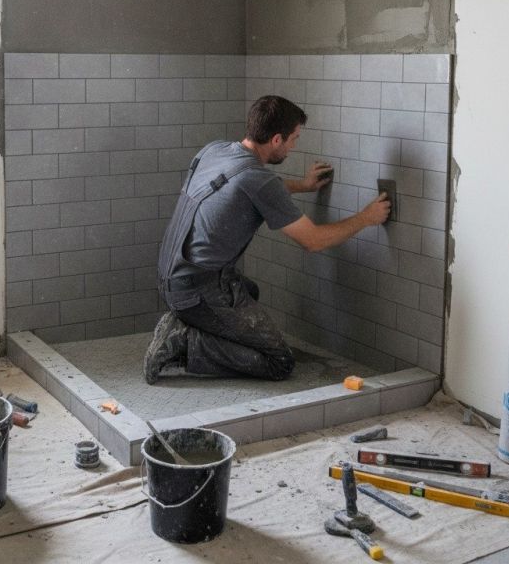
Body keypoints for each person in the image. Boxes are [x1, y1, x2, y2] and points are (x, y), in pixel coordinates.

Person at [143, 94, 391, 385]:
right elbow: (313, 240)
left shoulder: (216, 151)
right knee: (279, 362)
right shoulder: (258, 180)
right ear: (276, 140)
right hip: (196, 289)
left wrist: (304, 185)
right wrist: (366, 217)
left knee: (250, 292)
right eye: (293, 139)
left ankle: (189, 325)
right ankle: (185, 342)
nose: (294, 145)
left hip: (171, 272)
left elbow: (249, 186)